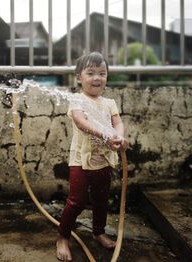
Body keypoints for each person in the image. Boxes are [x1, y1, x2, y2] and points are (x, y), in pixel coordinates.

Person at [56, 52, 128, 261]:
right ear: (79, 77)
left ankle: (98, 232)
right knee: (76, 201)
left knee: (101, 200)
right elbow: (80, 122)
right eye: (91, 73)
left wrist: (119, 136)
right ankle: (62, 237)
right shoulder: (77, 100)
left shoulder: (110, 103)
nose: (97, 78)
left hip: (104, 160)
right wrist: (106, 134)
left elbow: (118, 123)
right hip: (81, 160)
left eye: (102, 73)